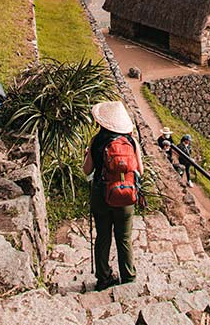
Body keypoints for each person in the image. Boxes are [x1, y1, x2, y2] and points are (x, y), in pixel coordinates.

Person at [83, 101, 144, 291]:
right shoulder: (131, 142)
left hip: (101, 194)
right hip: (125, 194)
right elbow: (140, 170)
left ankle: (104, 277)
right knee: (124, 237)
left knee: (103, 236)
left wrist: (87, 155)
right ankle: (128, 276)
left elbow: (87, 171)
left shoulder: (97, 141)